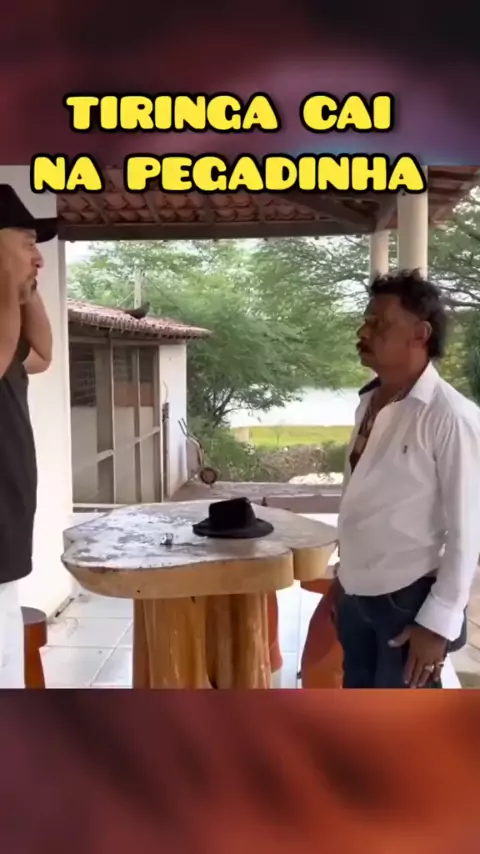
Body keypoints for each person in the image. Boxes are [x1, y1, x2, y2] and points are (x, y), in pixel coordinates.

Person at [333, 270, 480, 689]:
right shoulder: (369, 401)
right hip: (357, 595)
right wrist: (344, 581)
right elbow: (365, 501)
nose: (363, 331)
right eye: (365, 320)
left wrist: (438, 624)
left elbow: (468, 530)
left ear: (421, 334)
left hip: (409, 603)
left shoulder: (450, 416)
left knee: (403, 724)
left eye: (379, 323)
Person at [0, 184, 57, 688]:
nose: (38, 258)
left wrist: (26, 285)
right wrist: (7, 274)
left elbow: (41, 355)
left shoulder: (7, 326)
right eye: (29, 243)